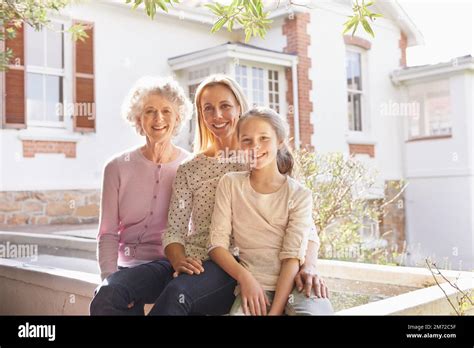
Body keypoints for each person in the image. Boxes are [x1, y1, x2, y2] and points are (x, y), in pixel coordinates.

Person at [89, 76, 192, 315]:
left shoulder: (189, 165)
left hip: (169, 266)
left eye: (167, 111)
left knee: (108, 298)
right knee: (113, 299)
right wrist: (109, 278)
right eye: (149, 111)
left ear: (177, 118)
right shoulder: (116, 167)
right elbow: (107, 232)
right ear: (138, 118)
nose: (159, 119)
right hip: (127, 270)